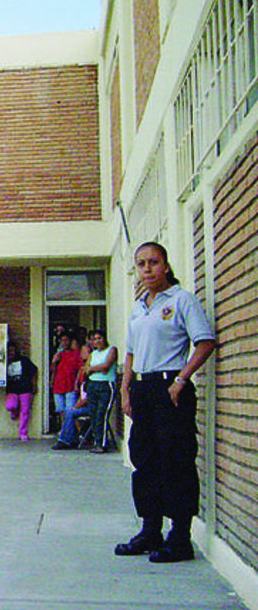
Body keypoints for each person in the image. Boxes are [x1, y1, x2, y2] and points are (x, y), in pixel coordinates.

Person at [114, 242, 216, 564]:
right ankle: (150, 530)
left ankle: (180, 537)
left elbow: (205, 341)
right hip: (143, 391)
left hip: (170, 389)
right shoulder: (139, 305)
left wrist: (182, 379)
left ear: (166, 266)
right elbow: (130, 353)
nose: (147, 269)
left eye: (154, 262)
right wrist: (126, 390)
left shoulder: (181, 300)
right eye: (141, 264)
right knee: (144, 460)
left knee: (176, 461)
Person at [82, 329, 118, 453]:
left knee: (101, 414)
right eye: (94, 339)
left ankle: (102, 444)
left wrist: (92, 368)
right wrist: (93, 369)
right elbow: (85, 369)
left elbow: (106, 367)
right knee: (93, 414)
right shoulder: (93, 353)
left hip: (105, 385)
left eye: (99, 338)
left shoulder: (111, 350)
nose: (97, 341)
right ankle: (97, 441)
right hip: (93, 385)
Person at [4, 341, 37, 442]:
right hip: (12, 389)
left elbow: (34, 371)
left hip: (25, 388)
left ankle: (23, 433)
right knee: (10, 405)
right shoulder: (5, 362)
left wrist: (34, 385)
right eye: (9, 351)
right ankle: (15, 411)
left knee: (25, 410)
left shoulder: (24, 360)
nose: (11, 353)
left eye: (13, 350)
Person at [50, 332, 81, 427]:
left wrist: (77, 383)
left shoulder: (76, 354)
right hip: (58, 386)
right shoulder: (59, 354)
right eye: (62, 340)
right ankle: (64, 430)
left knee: (70, 410)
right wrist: (54, 361)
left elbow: (80, 369)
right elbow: (53, 370)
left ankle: (72, 431)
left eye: (66, 340)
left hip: (70, 386)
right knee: (61, 410)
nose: (64, 343)